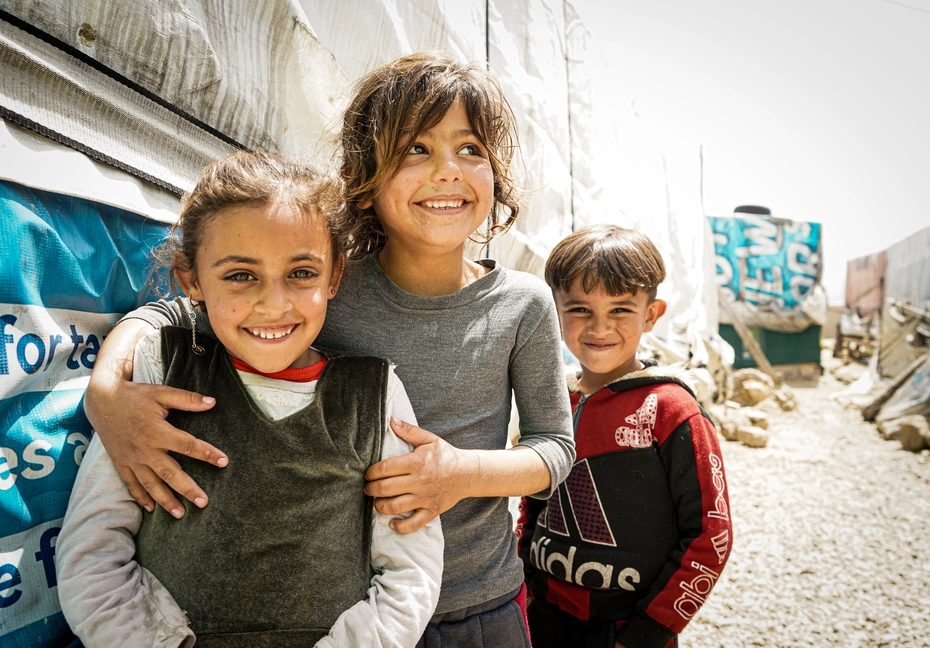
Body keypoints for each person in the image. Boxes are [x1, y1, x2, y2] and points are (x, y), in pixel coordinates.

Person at [81, 52, 576, 646]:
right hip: (354, 615)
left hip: (478, 604)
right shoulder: (318, 290)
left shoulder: (522, 302)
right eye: (416, 149)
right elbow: (180, 313)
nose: (447, 171)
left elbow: (556, 448)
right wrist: (105, 391)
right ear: (364, 180)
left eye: (470, 149)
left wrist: (460, 474)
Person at [56, 151, 444, 647]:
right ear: (191, 279)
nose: (274, 303)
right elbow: (91, 555)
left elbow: (411, 571)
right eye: (241, 275)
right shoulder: (161, 369)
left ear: (334, 276)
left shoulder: (374, 393)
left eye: (302, 273)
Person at [516, 224, 732, 648]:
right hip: (542, 616)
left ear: (651, 315)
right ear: (555, 311)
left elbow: (711, 534)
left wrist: (649, 632)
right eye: (580, 309)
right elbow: (532, 502)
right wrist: (522, 586)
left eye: (619, 309)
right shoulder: (553, 400)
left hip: (624, 630)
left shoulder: (672, 410)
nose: (599, 327)